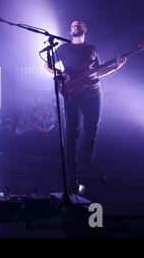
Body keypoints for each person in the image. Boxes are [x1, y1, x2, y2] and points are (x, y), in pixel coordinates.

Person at [45, 20, 126, 192]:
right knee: (73, 131)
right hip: (71, 91)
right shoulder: (62, 48)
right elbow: (47, 65)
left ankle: (86, 171)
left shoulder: (92, 49)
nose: (76, 27)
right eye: (73, 25)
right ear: (70, 30)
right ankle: (72, 175)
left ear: (85, 29)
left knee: (92, 131)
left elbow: (99, 70)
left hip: (93, 91)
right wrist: (60, 73)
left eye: (79, 25)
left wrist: (116, 67)